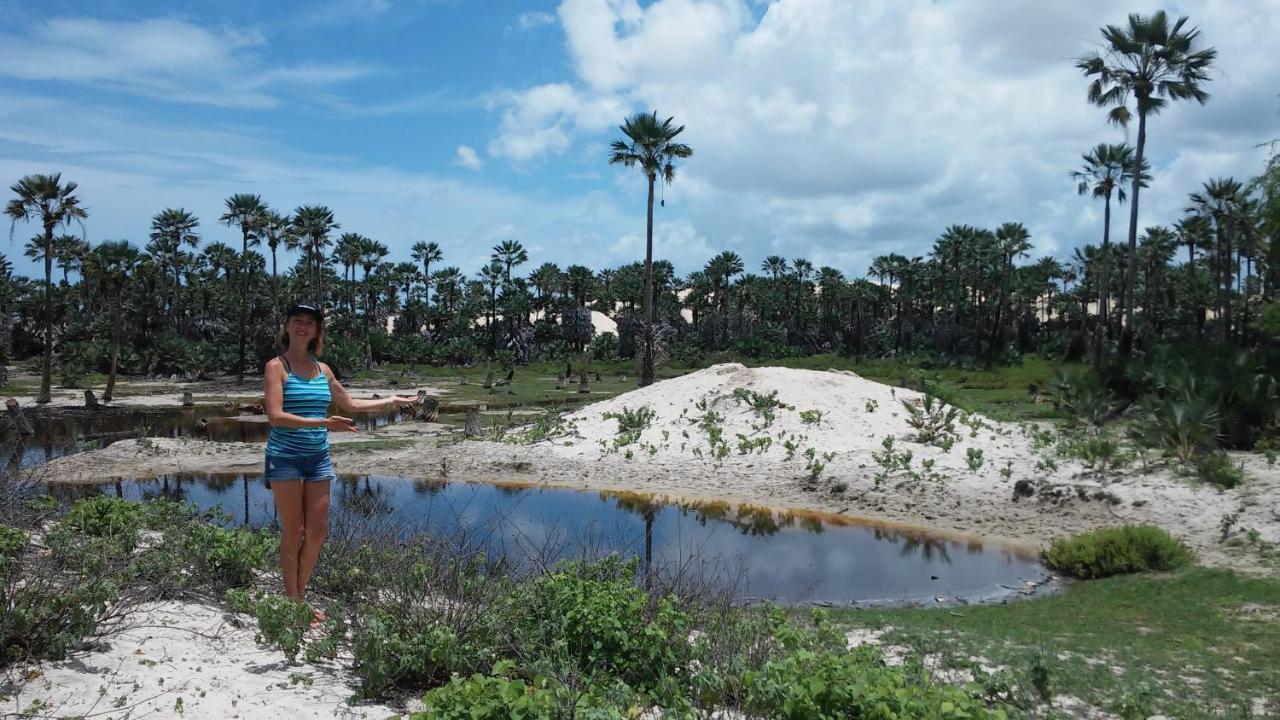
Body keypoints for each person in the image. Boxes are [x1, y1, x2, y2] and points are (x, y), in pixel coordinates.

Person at [263, 303, 415, 624]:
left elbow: (349, 404)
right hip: (285, 458)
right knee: (294, 531)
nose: (303, 327)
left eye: (310, 323)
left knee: (317, 532)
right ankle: (294, 604)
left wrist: (391, 400)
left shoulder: (324, 370)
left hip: (318, 458)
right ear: (287, 327)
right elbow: (275, 417)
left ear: (317, 331)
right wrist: (322, 423)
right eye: (297, 321)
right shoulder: (277, 367)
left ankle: (299, 597)